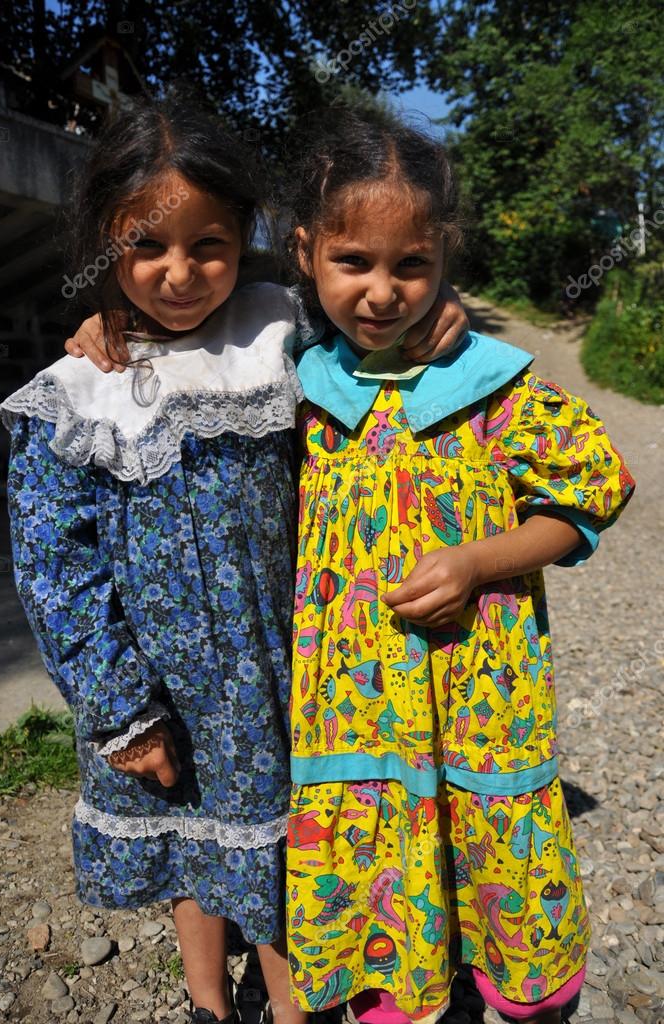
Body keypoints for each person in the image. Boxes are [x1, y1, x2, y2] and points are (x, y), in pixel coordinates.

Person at [0, 93, 468, 1024]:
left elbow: (372, 314)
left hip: (277, 671)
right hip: (157, 687)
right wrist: (119, 709)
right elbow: (54, 571)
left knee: (278, 850)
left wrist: (434, 309)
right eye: (146, 247)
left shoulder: (278, 330)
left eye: (207, 245)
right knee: (191, 851)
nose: (180, 274)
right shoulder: (75, 393)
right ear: (102, 243)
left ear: (246, 235)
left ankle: (291, 1009)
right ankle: (209, 1002)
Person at [284, 110, 636, 1024]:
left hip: (482, 694)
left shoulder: (492, 386)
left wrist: (480, 561)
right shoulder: (294, 388)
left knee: (500, 859)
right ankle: (397, 984)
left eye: (412, 264)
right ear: (305, 253)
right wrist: (102, 324)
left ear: (445, 257)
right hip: (355, 708)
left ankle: (522, 986)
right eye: (353, 261)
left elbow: (595, 488)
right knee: (377, 868)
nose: (382, 292)